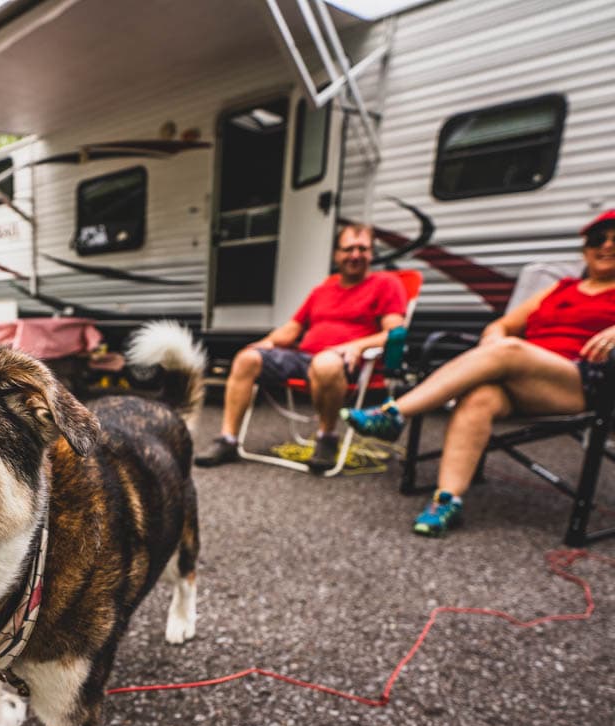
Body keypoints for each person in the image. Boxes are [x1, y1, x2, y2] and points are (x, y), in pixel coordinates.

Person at [343, 209, 615, 537]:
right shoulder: (562, 287)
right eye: (599, 239)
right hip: (524, 376)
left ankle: (395, 413)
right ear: (585, 249)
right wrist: (494, 341)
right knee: (478, 397)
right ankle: (447, 500)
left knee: (509, 350)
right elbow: (502, 325)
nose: (607, 246)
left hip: (582, 380)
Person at [196, 223, 407, 471]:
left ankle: (327, 437)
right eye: (349, 249)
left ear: (372, 253)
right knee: (246, 358)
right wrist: (267, 343)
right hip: (304, 358)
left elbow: (395, 333)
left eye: (363, 249)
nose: (356, 255)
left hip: (346, 364)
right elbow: (292, 329)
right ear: (336, 254)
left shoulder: (386, 284)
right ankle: (228, 439)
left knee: (326, 363)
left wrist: (356, 347)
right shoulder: (322, 290)